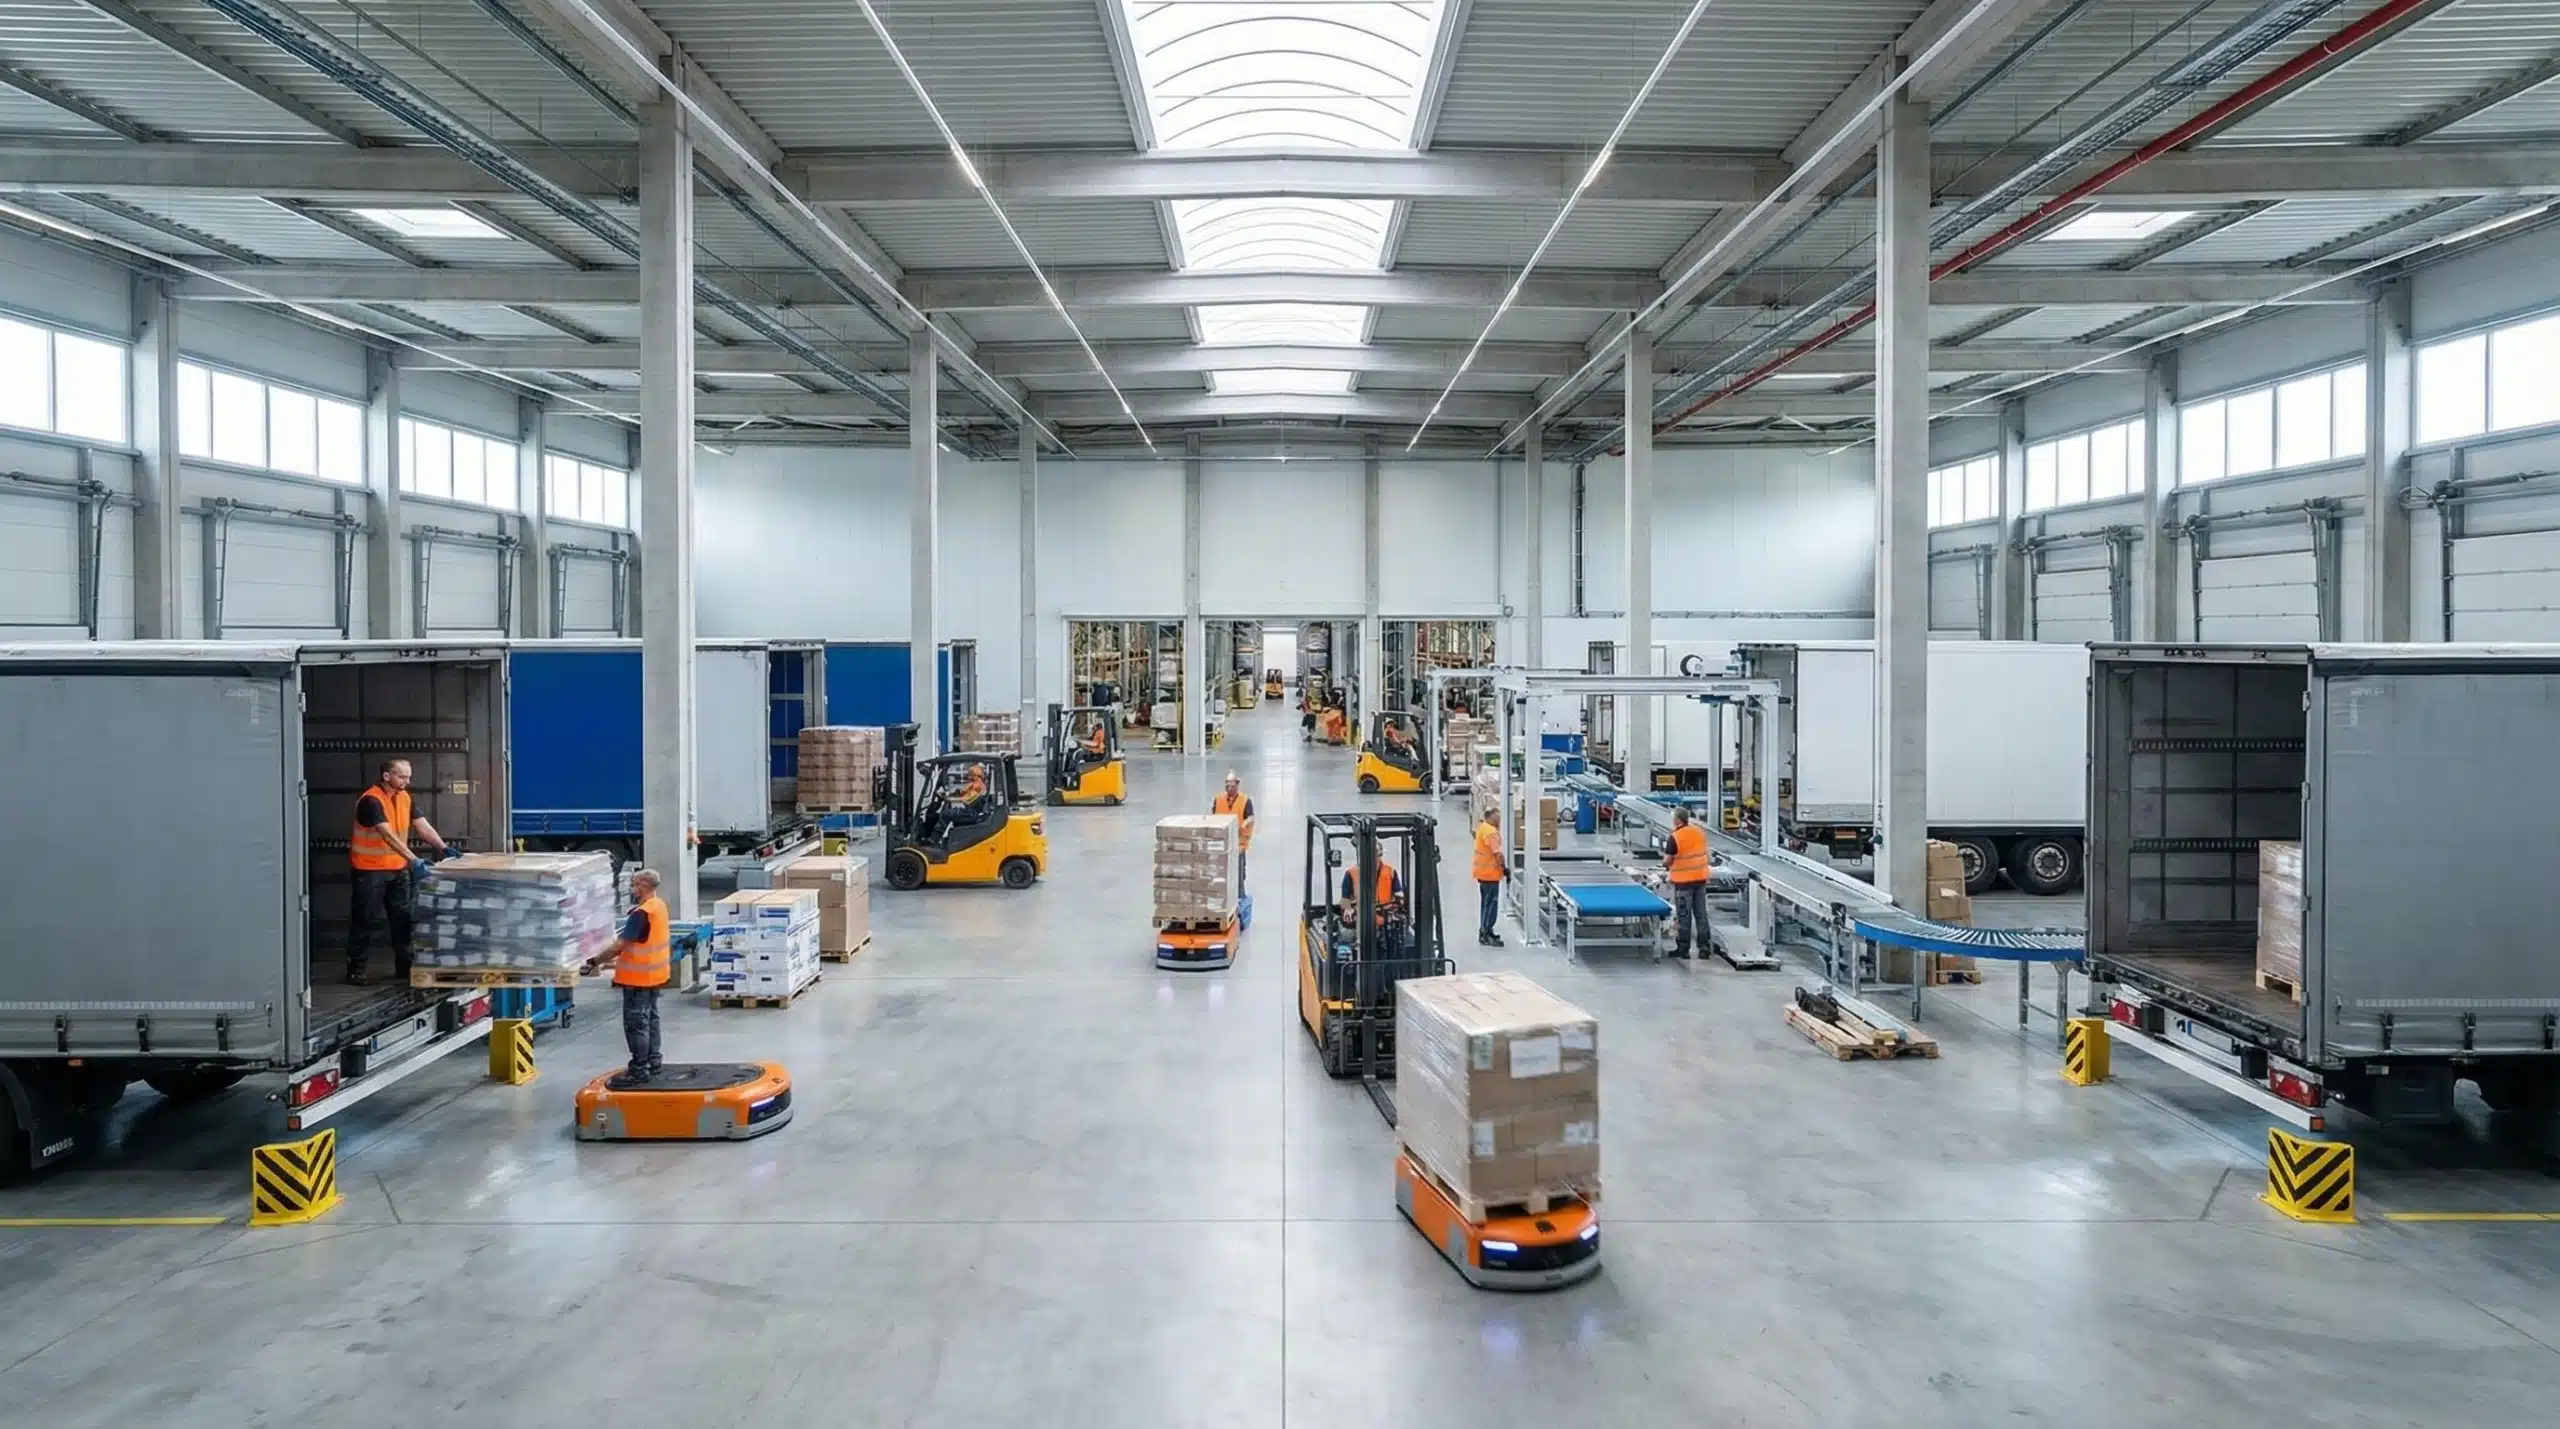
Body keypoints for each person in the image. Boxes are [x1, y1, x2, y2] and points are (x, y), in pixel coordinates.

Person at [346, 757, 452, 986]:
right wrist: (414, 860)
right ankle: (356, 970)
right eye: (402, 776)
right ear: (387, 776)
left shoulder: (405, 797)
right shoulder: (371, 801)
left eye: (409, 776)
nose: (407, 781)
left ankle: (404, 969)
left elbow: (422, 826)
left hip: (397, 869)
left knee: (402, 920)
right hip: (370, 871)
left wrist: (443, 848)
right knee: (365, 920)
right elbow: (387, 834)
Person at [606, 868, 670, 1085]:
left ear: (643, 885)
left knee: (636, 1024)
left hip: (637, 979)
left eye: (634, 884)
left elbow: (620, 945)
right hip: (654, 975)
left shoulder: (641, 914)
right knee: (651, 1019)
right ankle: (654, 1061)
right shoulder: (658, 906)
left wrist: (594, 961)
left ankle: (639, 1070)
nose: (632, 888)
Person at [1665, 806, 1713, 959]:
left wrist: (1665, 865)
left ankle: (1683, 949)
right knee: (1701, 914)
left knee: (1684, 915)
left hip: (1684, 882)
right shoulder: (1699, 832)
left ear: (1677, 820)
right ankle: (1704, 948)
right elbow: (1706, 854)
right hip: (1700, 879)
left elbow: (1668, 860)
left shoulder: (1675, 837)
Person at [1211, 771, 1256, 889]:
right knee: (1222, 870)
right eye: (1227, 786)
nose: (1230, 788)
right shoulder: (1218, 799)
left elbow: (1251, 817)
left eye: (1232, 786)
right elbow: (1213, 816)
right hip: (1222, 841)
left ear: (1237, 785)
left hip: (1239, 842)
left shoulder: (1245, 800)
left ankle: (1239, 894)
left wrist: (1244, 824)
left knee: (1239, 872)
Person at [1473, 810, 1506, 947]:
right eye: (1497, 817)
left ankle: (1486, 930)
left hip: (1482, 872)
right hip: (1490, 874)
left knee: (1485, 903)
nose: (1499, 820)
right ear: (1490, 817)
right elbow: (1498, 854)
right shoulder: (1491, 832)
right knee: (1491, 904)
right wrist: (1505, 869)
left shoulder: (1483, 827)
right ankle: (1485, 933)